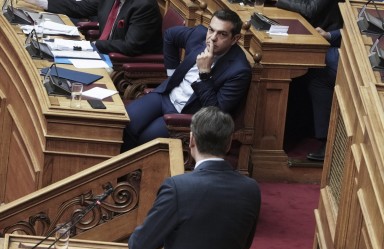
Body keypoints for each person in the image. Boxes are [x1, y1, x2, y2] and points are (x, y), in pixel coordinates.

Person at [128, 106, 261, 249]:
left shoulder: (177, 187)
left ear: (192, 140)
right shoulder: (251, 188)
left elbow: (139, 246)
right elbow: (245, 244)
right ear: (229, 143)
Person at [121, 9, 251, 152]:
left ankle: (133, 173)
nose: (213, 38)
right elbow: (170, 36)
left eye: (222, 34)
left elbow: (216, 113)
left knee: (145, 140)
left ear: (235, 39)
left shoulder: (239, 70)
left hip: (185, 114)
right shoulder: (199, 36)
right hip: (166, 96)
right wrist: (172, 75)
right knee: (124, 123)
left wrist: (204, 74)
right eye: (211, 30)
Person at [276, 0, 344, 161]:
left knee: (320, 65)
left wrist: (331, 36)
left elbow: (310, 9)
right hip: (335, 38)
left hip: (354, 50)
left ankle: (328, 142)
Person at [23, 0, 163, 55]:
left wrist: (94, 45)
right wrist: (40, 2)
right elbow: (79, 8)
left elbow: (130, 46)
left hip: (122, 60)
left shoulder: (144, 7)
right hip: (102, 51)